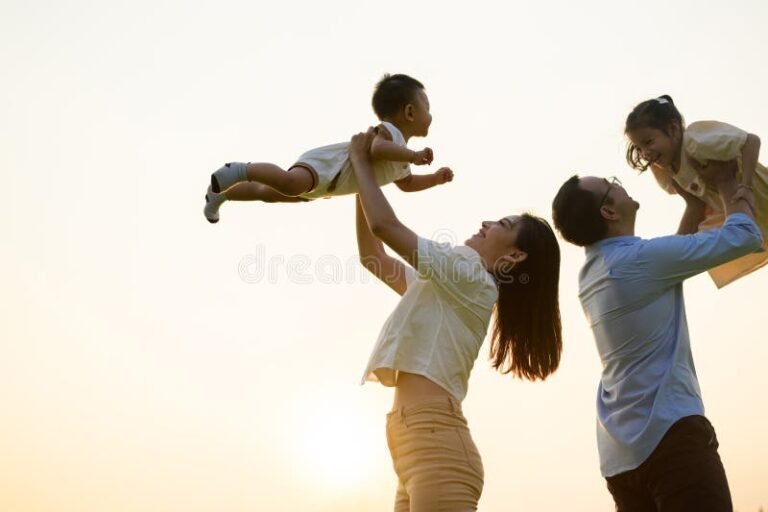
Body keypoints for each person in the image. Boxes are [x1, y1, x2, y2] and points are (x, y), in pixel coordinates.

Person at [350, 127, 562, 511]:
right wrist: (364, 180)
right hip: (415, 445)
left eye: (502, 225)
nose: (486, 223)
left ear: (515, 257)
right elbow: (374, 257)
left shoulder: (470, 275)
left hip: (436, 448)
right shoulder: (451, 287)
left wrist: (362, 163)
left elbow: (385, 227)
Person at [551, 162, 763, 511]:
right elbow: (745, 236)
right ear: (608, 211)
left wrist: (694, 209)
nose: (618, 183)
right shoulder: (639, 261)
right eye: (610, 183)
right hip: (671, 438)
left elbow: (667, 265)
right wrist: (727, 182)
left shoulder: (593, 272)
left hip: (621, 458)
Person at [203, 74, 453, 223]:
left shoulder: (401, 159)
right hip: (328, 166)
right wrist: (414, 155)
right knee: (289, 183)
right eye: (427, 107)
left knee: (267, 193)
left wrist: (434, 178)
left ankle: (221, 195)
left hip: (328, 185)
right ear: (410, 112)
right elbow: (377, 149)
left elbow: (408, 184)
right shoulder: (390, 133)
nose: (431, 114)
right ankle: (238, 170)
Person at [624, 94, 767, 287]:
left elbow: (751, 141)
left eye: (648, 142)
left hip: (759, 194)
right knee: (705, 240)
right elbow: (696, 206)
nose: (645, 153)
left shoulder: (695, 143)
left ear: (673, 128)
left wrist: (746, 185)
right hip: (748, 212)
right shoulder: (667, 169)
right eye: (639, 148)